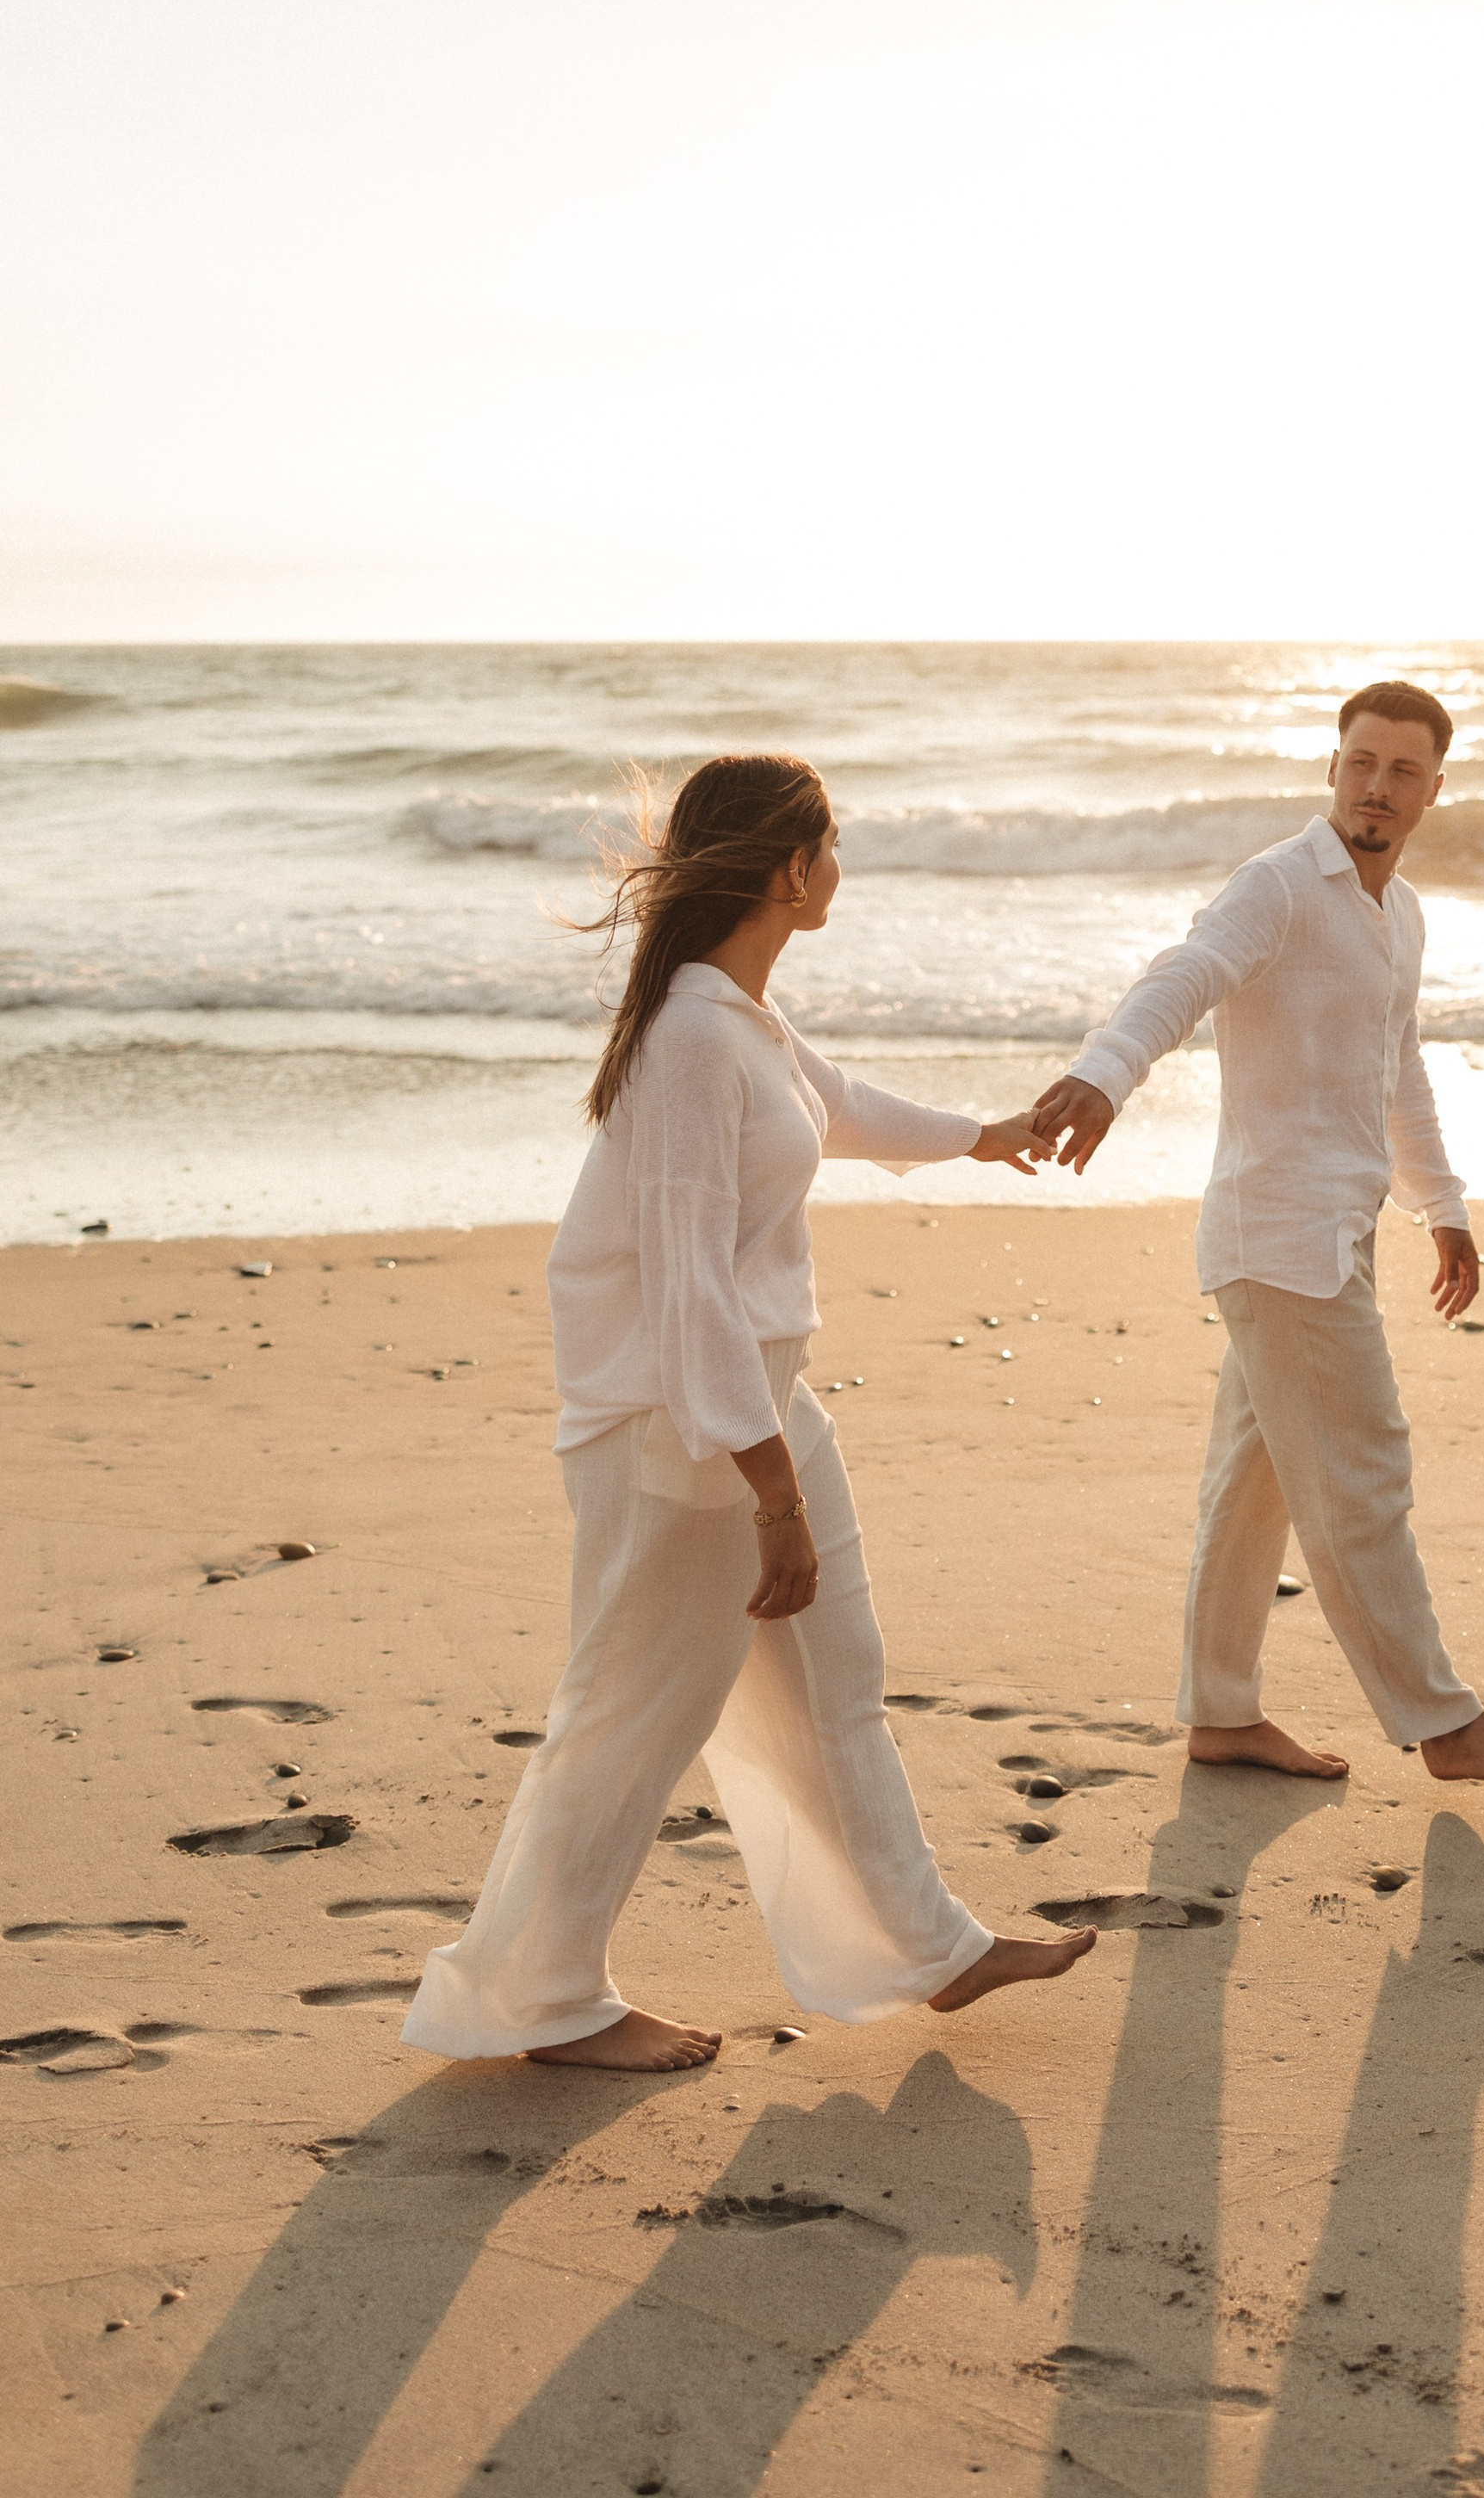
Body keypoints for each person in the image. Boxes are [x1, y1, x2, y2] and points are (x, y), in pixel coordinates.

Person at [404, 752, 1096, 2074]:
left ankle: (928, 1949)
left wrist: (985, 1135)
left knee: (837, 1685)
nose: (841, 870)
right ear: (791, 869)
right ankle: (539, 1999)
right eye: (830, 848)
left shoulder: (739, 1021)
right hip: (678, 1433)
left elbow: (834, 1111)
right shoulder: (688, 1045)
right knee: (632, 1715)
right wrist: (768, 1492)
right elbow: (689, 1300)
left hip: (754, 1410)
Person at [1031, 680, 1484, 1789]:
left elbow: (1400, 1065)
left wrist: (1445, 1204)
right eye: (1362, 763)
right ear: (1331, 767)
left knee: (1257, 1481)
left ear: (1433, 789)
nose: (1379, 787)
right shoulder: (1278, 888)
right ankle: (1442, 1721)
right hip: (1279, 1238)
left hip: (1335, 1231)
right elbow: (1181, 978)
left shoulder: (1400, 912)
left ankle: (1222, 1713)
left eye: (1405, 771)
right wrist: (1104, 1074)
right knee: (1363, 1465)